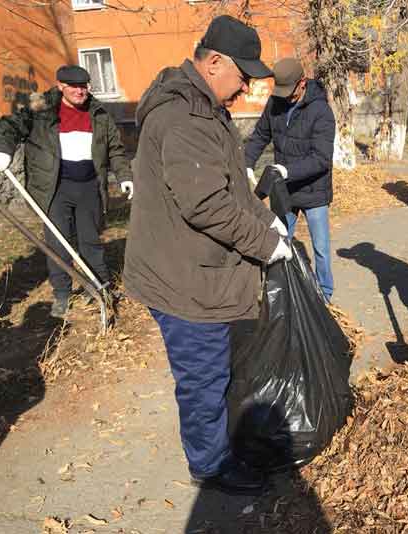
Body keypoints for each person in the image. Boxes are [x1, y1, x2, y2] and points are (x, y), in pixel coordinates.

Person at [123, 15, 292, 494]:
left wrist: (267, 223)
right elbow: (207, 205)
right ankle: (210, 465)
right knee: (203, 375)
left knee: (216, 368)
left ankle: (217, 445)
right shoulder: (182, 117)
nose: (245, 90)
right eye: (242, 77)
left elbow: (232, 187)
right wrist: (265, 246)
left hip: (197, 270)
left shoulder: (206, 110)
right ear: (214, 62)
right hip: (182, 280)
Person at [0, 65, 133, 318]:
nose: (81, 91)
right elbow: (8, 126)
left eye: (84, 86)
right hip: (54, 189)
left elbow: (115, 149)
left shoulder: (98, 113)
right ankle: (62, 296)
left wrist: (124, 175)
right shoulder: (40, 111)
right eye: (74, 86)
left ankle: (99, 289)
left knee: (91, 241)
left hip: (90, 186)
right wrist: (4, 149)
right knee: (59, 243)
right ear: (60, 86)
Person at [245, 57, 336, 302]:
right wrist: (246, 164)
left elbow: (321, 159)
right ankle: (285, 293)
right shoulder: (275, 103)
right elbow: (260, 135)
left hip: (314, 190)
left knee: (321, 249)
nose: (285, 97)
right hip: (285, 191)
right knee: (280, 242)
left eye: (290, 91)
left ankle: (325, 294)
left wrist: (288, 171)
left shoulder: (321, 111)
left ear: (302, 83)